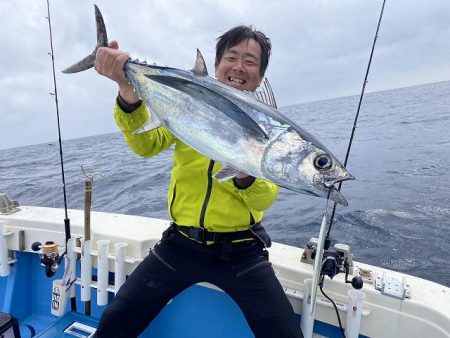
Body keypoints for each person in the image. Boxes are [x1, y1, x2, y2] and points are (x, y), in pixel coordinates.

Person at [93, 25, 304, 338]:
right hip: (181, 244)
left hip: (242, 251)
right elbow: (145, 144)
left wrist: (245, 171)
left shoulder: (271, 130)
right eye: (232, 57)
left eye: (250, 61)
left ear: (260, 76)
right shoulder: (187, 106)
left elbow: (263, 199)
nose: (239, 67)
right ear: (216, 67)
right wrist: (127, 94)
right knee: (116, 319)